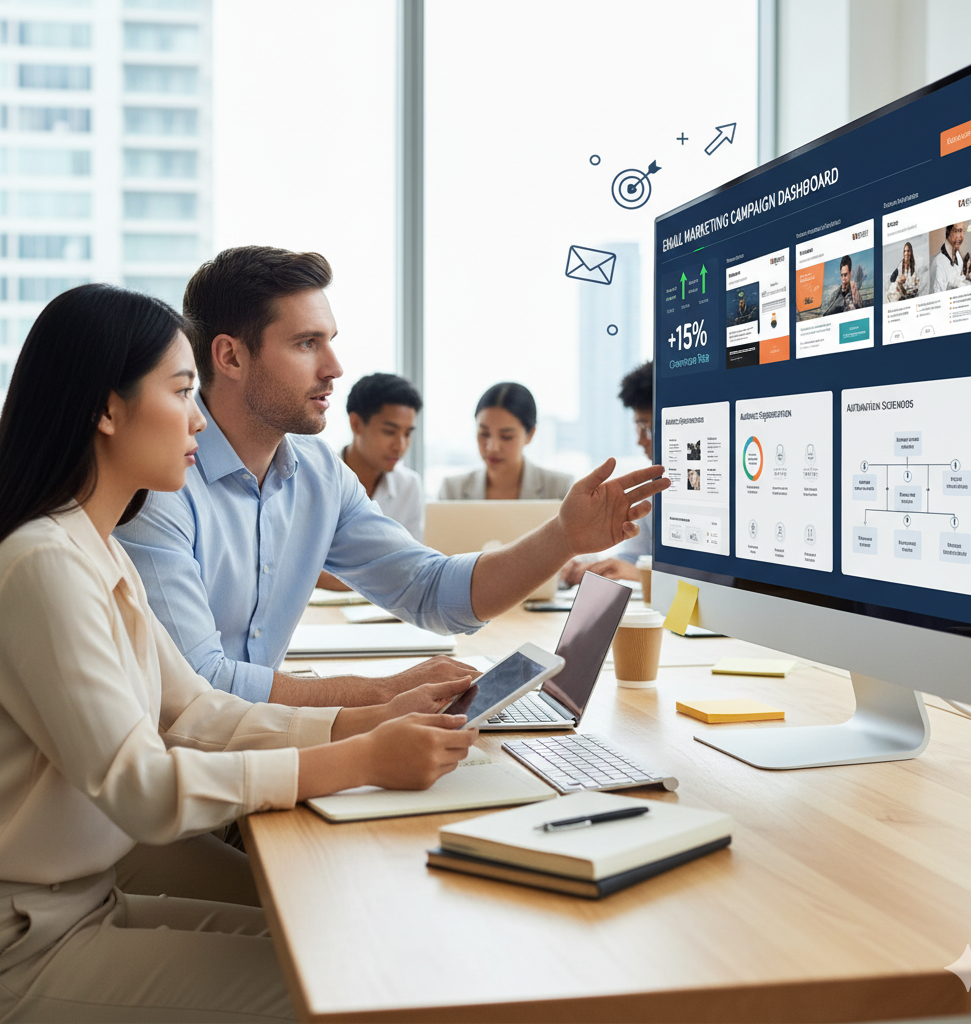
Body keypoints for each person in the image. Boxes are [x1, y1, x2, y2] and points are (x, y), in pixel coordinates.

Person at [0, 284, 478, 1021]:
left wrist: (365, 722)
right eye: (182, 390)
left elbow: (193, 707)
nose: (197, 418)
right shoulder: (43, 564)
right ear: (106, 408)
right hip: (32, 944)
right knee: (346, 993)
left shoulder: (92, 548)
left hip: (90, 901)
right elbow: (143, 788)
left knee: (343, 951)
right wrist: (359, 759)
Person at [115, 246, 667, 711]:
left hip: (259, 746)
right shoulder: (158, 485)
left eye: (330, 339)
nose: (334, 366)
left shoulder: (318, 473)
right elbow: (198, 689)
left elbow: (432, 592)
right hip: (179, 780)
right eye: (307, 343)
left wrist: (563, 537)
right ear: (230, 356)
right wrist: (385, 694)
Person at [314, 372, 424, 593]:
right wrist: (383, 575)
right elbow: (300, 569)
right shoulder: (314, 479)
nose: (400, 445)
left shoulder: (409, 485)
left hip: (386, 610)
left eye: (407, 434)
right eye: (390, 431)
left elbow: (412, 565)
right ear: (356, 424)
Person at [561, 361, 653, 586]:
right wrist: (595, 569)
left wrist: (640, 575)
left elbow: (707, 577)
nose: (640, 440)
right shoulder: (652, 486)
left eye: (646, 427)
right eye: (638, 426)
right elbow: (633, 557)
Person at [439, 382, 574, 500]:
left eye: (506, 436)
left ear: (530, 434)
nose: (492, 447)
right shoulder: (452, 491)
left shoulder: (559, 489)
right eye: (484, 434)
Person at [931, 222, 971, 291]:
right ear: (948, 231)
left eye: (963, 231)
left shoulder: (959, 257)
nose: (962, 236)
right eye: (958, 231)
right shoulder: (939, 264)